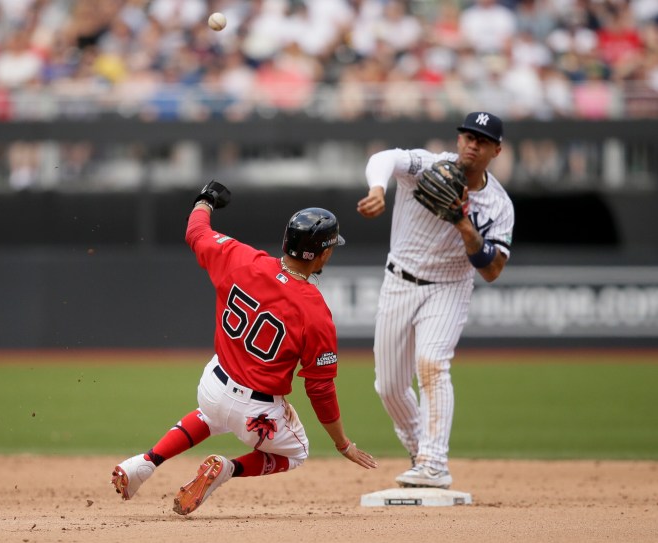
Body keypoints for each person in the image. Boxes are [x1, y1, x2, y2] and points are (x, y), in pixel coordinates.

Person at [112, 181, 377, 515]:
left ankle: (145, 463)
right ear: (323, 253)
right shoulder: (316, 311)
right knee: (297, 453)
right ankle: (228, 469)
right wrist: (343, 444)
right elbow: (320, 388)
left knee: (210, 414)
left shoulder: (240, 258)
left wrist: (205, 200)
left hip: (213, 385)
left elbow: (196, 232)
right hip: (257, 414)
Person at [356, 112, 514, 489]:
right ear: (458, 139)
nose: (472, 144)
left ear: (496, 150)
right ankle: (419, 450)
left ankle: (433, 462)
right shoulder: (429, 166)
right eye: (467, 136)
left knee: (431, 365)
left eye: (482, 140)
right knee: (389, 386)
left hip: (449, 286)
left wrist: (462, 222)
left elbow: (492, 269)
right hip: (398, 280)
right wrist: (378, 188)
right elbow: (385, 158)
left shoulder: (497, 205)